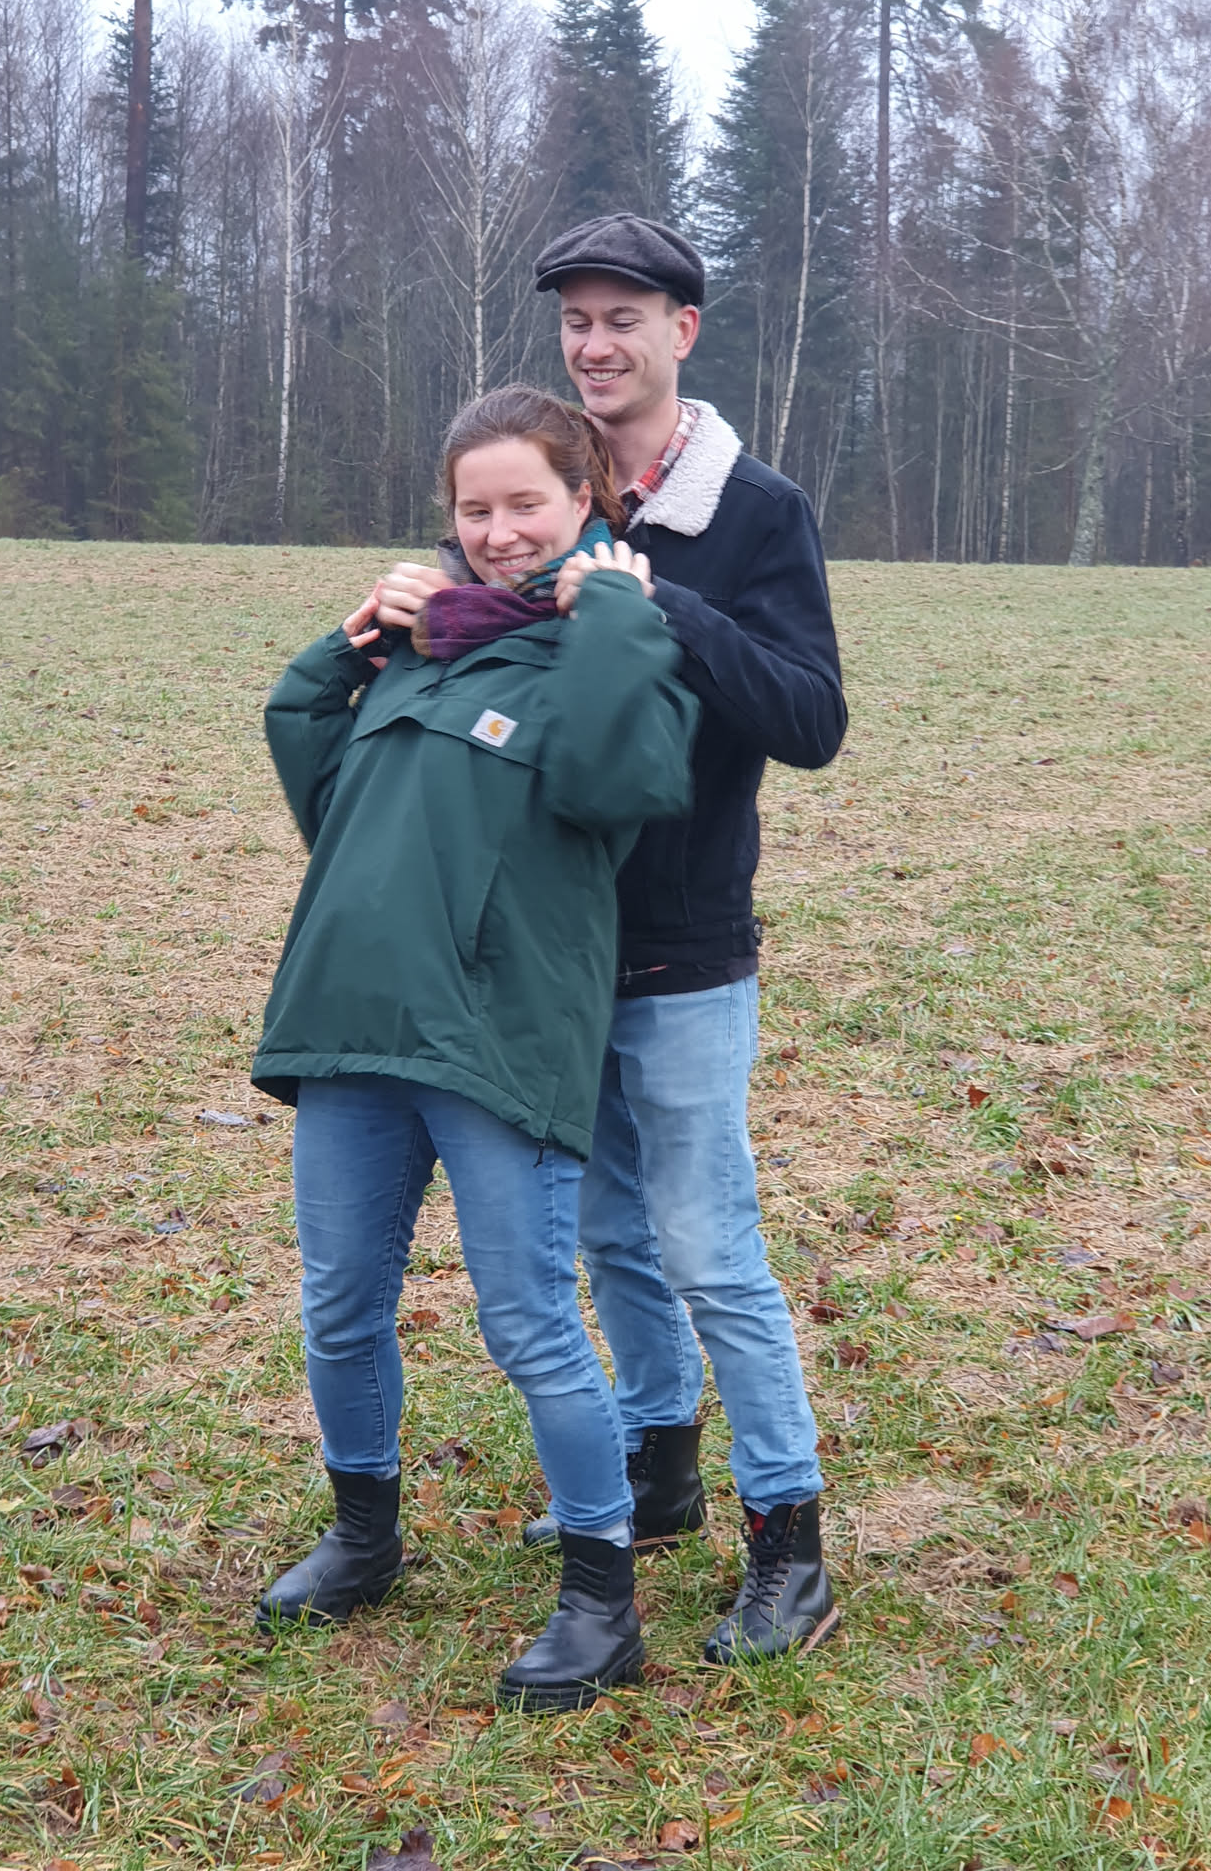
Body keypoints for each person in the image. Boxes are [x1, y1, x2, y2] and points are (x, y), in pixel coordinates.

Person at [249, 385, 697, 1716]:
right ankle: (364, 1538)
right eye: (474, 508)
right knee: (339, 1306)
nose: (499, 533)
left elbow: (620, 784)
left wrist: (611, 614)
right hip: (353, 1026)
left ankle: (601, 1599)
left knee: (529, 1324)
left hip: (496, 1038)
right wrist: (347, 646)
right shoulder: (423, 648)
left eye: (526, 505)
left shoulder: (615, 645)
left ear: (585, 503)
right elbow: (318, 779)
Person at [527, 214, 849, 1665]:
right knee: (610, 1235)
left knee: (712, 1250)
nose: (596, 345)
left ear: (684, 331)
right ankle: (658, 1476)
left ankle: (792, 1544)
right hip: (559, 941)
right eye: (577, 321)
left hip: (687, 947)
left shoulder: (755, 511)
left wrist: (668, 604)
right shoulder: (548, 481)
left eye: (623, 319)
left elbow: (811, 717)